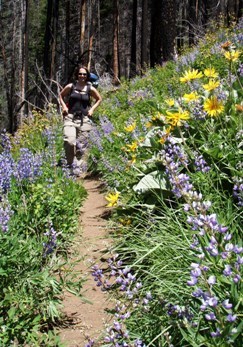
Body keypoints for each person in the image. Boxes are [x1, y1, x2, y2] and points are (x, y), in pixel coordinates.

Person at [59, 66, 102, 175]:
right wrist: (64, 107)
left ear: (87, 76)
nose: (82, 76)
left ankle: (78, 169)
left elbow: (99, 99)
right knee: (69, 141)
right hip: (70, 117)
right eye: (80, 74)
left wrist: (92, 109)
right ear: (77, 75)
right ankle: (69, 165)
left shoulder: (90, 89)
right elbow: (61, 95)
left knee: (82, 146)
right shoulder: (71, 86)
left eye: (84, 74)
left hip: (84, 119)